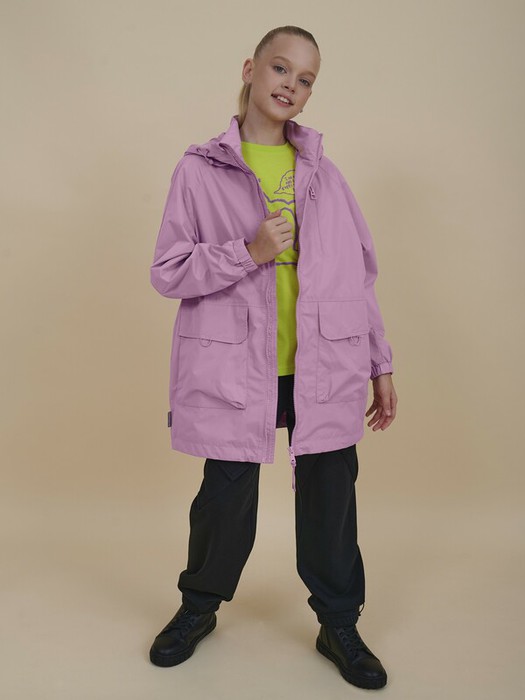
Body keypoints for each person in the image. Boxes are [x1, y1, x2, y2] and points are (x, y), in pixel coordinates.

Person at [148, 25, 398, 691]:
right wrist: (248, 252)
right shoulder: (199, 170)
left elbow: (358, 277)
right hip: (236, 366)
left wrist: (380, 363)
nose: (291, 84)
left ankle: (338, 623)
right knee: (224, 496)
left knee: (331, 495)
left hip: (324, 363)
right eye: (281, 68)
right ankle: (198, 608)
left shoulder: (325, 176)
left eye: (305, 78)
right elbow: (168, 270)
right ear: (250, 69)